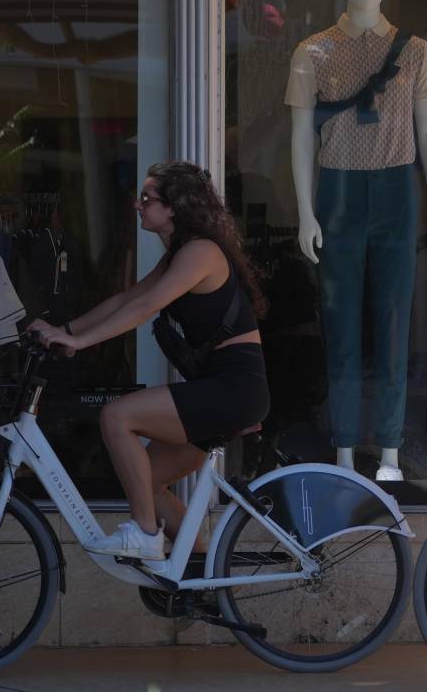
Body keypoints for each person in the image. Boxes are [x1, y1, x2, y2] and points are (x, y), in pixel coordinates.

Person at [31, 161, 270, 560]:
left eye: (147, 199)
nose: (137, 206)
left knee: (116, 417)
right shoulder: (180, 254)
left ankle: (145, 535)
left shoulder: (201, 252)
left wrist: (83, 340)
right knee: (148, 481)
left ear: (174, 207)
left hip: (232, 390)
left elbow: (144, 307)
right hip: (216, 389)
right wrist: (65, 331)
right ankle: (202, 579)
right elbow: (125, 299)